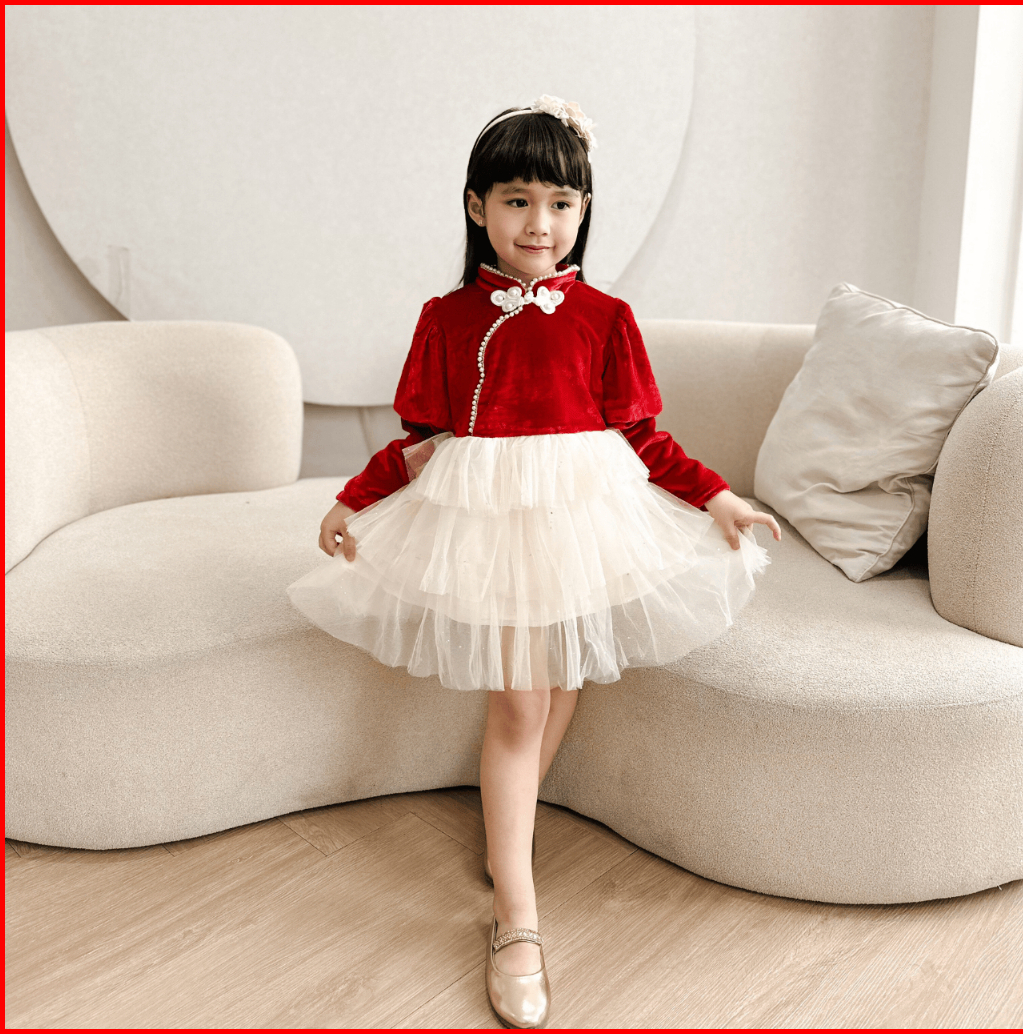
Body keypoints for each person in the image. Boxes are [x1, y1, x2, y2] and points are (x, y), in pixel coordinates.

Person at [288, 95, 780, 1030]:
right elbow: (422, 439)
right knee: (518, 703)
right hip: (491, 527)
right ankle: (517, 918)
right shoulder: (447, 318)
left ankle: (504, 837)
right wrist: (352, 498)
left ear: (583, 210)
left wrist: (715, 495)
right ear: (478, 207)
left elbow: (642, 436)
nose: (540, 224)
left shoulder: (607, 316)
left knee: (564, 677)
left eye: (561, 203)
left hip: (582, 522)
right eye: (517, 201)